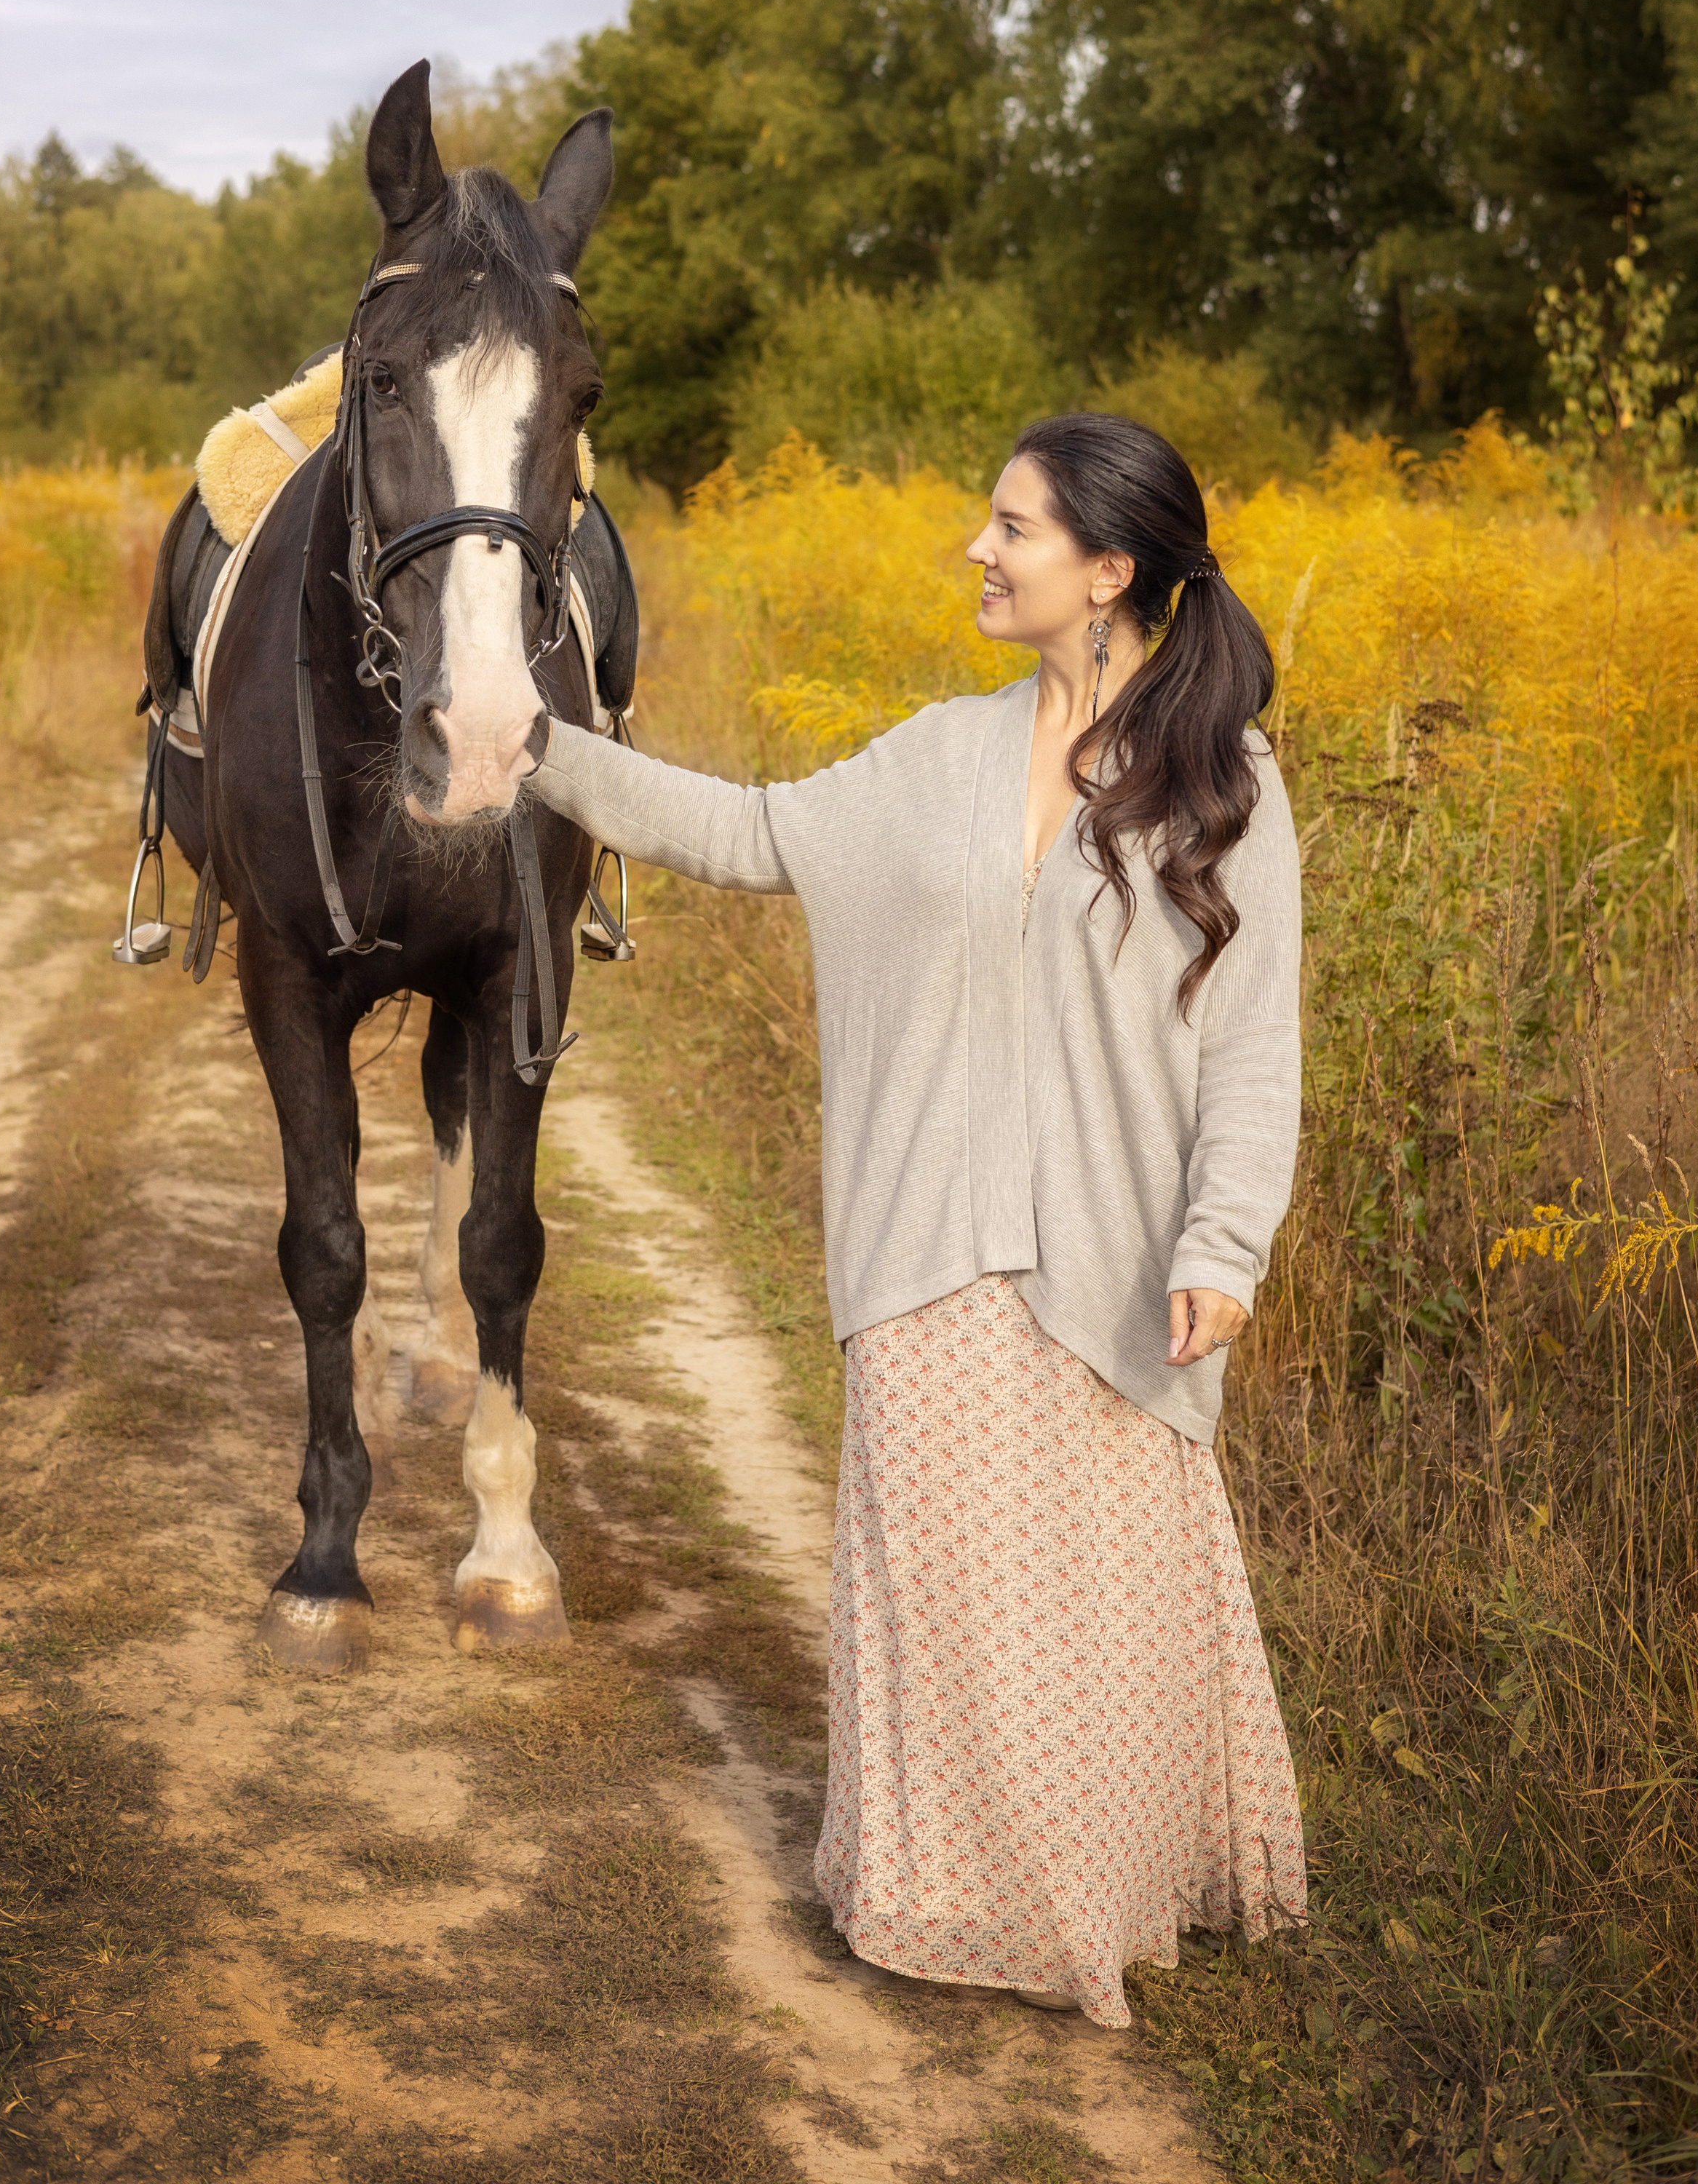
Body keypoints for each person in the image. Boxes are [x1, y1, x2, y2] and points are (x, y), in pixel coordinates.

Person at [519, 411, 1307, 2025]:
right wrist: (535, 750)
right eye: (986, 520)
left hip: (1112, 1269)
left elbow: (1251, 1047)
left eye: (1010, 527)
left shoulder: (1224, 787)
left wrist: (1222, 1248)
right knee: (943, 1609)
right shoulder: (935, 756)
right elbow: (741, 831)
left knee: (1094, 1618)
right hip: (926, 1252)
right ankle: (941, 1898)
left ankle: (1087, 1899)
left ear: (1107, 573)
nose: (976, 548)